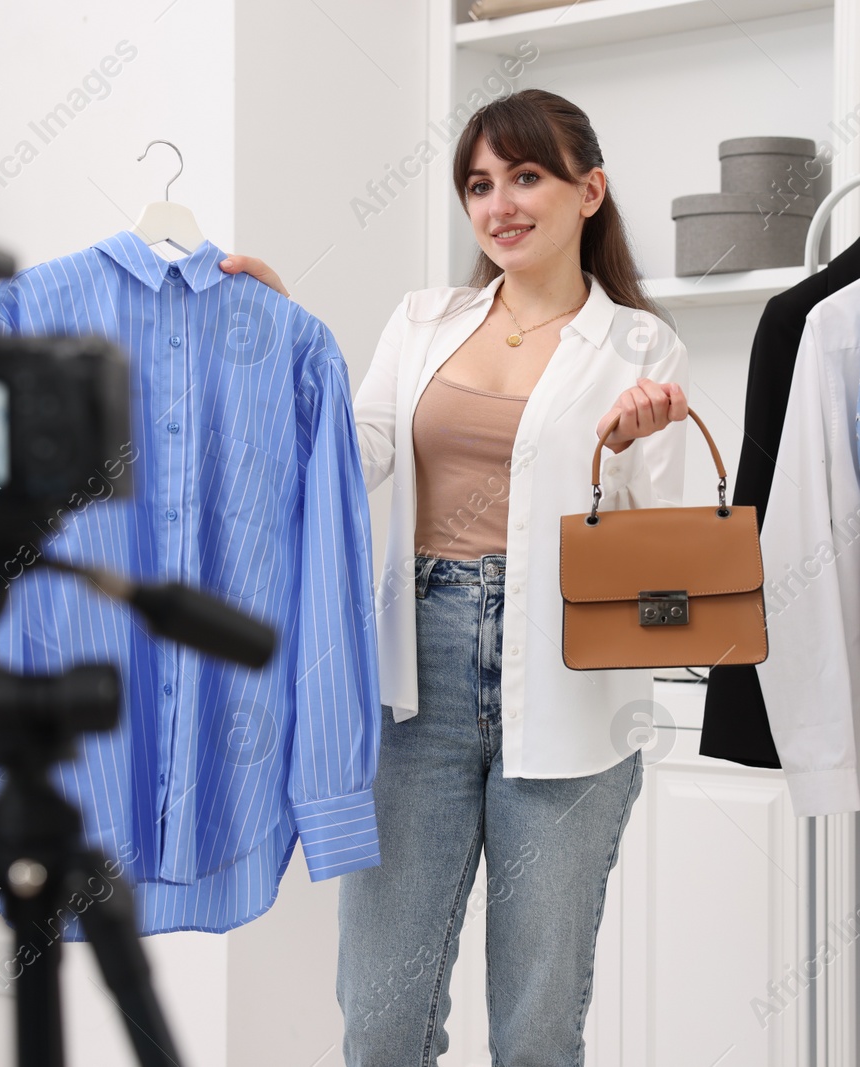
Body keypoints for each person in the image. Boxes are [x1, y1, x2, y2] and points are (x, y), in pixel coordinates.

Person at [220, 88, 689, 1066]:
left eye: (526, 176)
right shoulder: (425, 319)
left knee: (534, 1028)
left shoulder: (640, 345)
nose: (499, 203)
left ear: (588, 190)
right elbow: (353, 455)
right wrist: (286, 343)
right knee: (382, 1019)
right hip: (415, 680)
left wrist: (631, 444)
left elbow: (653, 546)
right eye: (478, 183)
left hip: (571, 685)